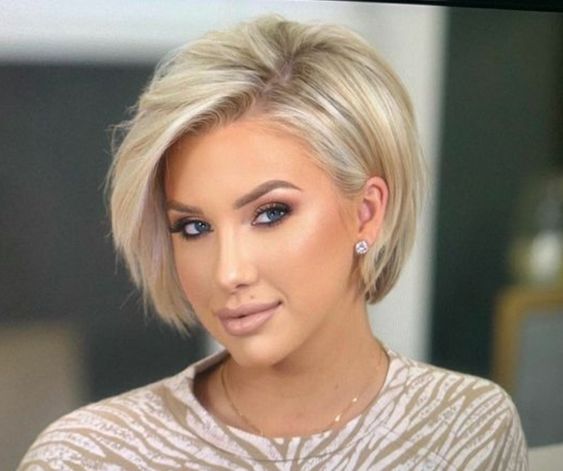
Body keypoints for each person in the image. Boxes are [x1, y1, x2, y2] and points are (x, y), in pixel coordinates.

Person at [19, 15, 528, 470]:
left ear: (367, 213)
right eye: (194, 227)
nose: (228, 272)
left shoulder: (468, 429)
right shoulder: (88, 456)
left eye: (270, 214)